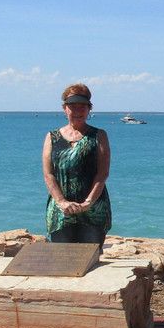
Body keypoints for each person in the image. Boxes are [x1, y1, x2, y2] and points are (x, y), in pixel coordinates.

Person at [43, 83, 112, 245]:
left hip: (93, 209)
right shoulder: (52, 137)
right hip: (61, 210)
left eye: (83, 107)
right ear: (64, 109)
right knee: (62, 259)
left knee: (90, 257)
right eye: (73, 107)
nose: (78, 112)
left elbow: (102, 173)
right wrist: (62, 202)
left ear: (89, 109)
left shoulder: (99, 135)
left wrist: (88, 203)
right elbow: (48, 174)